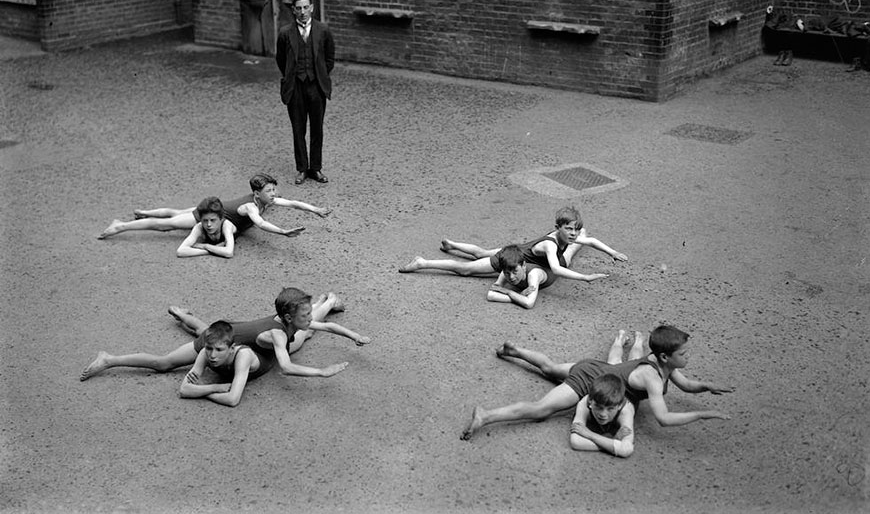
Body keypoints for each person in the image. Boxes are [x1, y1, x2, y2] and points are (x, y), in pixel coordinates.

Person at [460, 325, 733, 441]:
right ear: (664, 355)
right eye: (683, 354)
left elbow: (686, 384)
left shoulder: (665, 365)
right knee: (542, 409)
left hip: (600, 368)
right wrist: (702, 414)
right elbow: (663, 418)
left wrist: (707, 386)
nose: (688, 357)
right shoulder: (652, 374)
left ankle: (516, 351)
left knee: (552, 368)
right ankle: (485, 415)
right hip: (592, 379)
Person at [80, 287, 370, 382]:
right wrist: (322, 371)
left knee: (307, 334)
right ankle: (109, 359)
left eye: (310, 311)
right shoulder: (279, 335)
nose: (308, 317)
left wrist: (354, 335)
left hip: (231, 334)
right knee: (165, 363)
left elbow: (326, 326)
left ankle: (328, 301)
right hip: (223, 338)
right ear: (286, 317)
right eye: (305, 314)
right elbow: (287, 367)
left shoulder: (291, 321)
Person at [399, 206, 625, 308]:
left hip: (521, 254)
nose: (573, 234)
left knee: (481, 253)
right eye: (570, 230)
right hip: (516, 258)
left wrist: (612, 252)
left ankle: (452, 244)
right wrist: (584, 278)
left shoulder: (562, 236)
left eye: (576, 230)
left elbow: (592, 241)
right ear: (558, 228)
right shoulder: (549, 244)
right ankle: (424, 262)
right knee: (467, 268)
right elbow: (555, 269)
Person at [98, 173, 330, 241]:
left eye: (273, 190)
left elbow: (292, 203)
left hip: (215, 205)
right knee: (167, 226)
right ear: (257, 193)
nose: (274, 194)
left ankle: (144, 212)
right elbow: (261, 223)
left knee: (175, 212)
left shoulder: (265, 200)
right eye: (270, 191)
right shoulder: (251, 206)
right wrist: (282, 232)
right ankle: (122, 226)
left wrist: (315, 209)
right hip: (212, 213)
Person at [276, 0, 335, 185]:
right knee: (298, 129)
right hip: (295, 88)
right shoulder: (285, 33)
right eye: (298, 8)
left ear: (312, 8)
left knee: (317, 129)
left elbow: (329, 59)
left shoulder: (323, 30)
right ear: (293, 10)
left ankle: (315, 169)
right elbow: (281, 60)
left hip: (316, 87)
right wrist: (293, 75)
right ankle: (302, 168)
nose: (302, 12)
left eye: (306, 7)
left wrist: (319, 76)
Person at [178, 320, 272, 407]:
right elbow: (184, 390)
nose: (212, 355)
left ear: (231, 348)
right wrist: (216, 388)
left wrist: (200, 390)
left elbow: (232, 399)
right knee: (206, 333)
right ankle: (181, 314)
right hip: (228, 341)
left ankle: (182, 315)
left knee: (210, 334)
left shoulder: (243, 355)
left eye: (219, 350)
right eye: (209, 348)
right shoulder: (204, 352)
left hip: (267, 352)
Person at [570, 373, 636, 457]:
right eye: (598, 407)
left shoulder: (625, 411)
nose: (603, 414)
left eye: (610, 409)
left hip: (631, 384)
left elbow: (626, 449)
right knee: (552, 370)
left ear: (619, 406)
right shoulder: (584, 403)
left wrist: (589, 434)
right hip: (596, 372)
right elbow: (576, 442)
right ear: (590, 401)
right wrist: (612, 441)